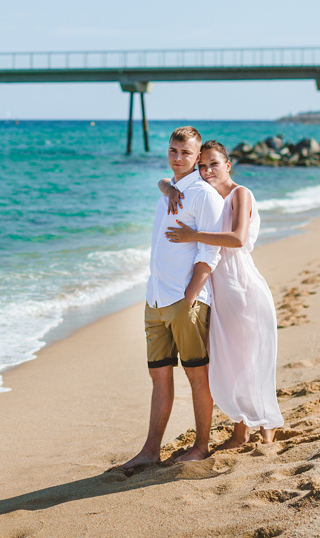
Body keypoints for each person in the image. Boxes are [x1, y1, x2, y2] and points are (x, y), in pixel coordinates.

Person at [161, 140, 283, 448]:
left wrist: (193, 235)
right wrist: (169, 189)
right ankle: (251, 424)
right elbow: (165, 179)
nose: (206, 170)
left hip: (241, 286)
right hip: (218, 288)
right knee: (227, 361)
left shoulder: (241, 193)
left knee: (248, 359)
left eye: (213, 164)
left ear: (228, 165)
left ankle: (251, 429)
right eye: (202, 166)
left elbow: (238, 239)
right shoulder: (207, 195)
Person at [121, 126, 225, 468]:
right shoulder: (170, 189)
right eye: (173, 151)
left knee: (197, 375)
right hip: (154, 299)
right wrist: (165, 186)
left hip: (184, 301)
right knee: (159, 375)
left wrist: (190, 296)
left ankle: (201, 446)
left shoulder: (204, 194)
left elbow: (211, 252)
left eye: (185, 153)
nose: (178, 158)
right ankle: (150, 451)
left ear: (198, 158)